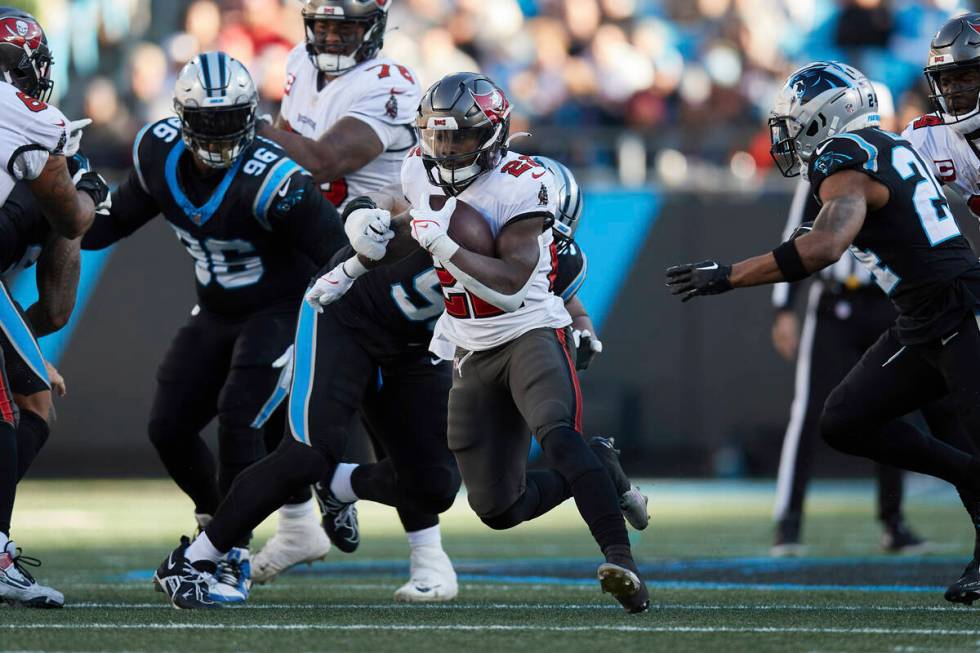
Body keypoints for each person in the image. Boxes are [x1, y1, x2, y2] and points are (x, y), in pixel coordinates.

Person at [311, 72, 650, 613]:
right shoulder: (419, 168)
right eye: (439, 135)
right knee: (496, 507)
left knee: (558, 434)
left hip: (527, 333)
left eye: (462, 137)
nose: (447, 149)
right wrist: (352, 266)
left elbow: (513, 286)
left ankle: (621, 561)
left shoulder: (523, 182)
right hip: (468, 347)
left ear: (493, 135)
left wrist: (442, 245)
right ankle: (601, 467)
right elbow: (408, 233)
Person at [665, 60, 980, 606]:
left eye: (792, 121)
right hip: (922, 316)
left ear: (823, 116)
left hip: (958, 307)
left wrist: (730, 275)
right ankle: (972, 477)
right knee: (846, 419)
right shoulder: (887, 146)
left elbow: (825, 247)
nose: (785, 135)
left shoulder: (844, 158)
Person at [82, 52, 346, 605]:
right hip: (218, 311)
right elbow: (112, 222)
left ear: (250, 116)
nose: (220, 133)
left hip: (280, 310)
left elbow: (338, 252)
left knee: (239, 419)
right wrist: (64, 209)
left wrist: (323, 327)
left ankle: (230, 555)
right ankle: (217, 525)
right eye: (208, 120)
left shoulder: (277, 178)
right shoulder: (158, 153)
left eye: (231, 120)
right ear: (183, 117)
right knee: (168, 428)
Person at [243, 0, 456, 600]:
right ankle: (297, 525)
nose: (334, 36)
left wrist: (237, 124)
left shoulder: (389, 85)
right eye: (325, 25)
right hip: (313, 251)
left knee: (393, 413)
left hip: (376, 259)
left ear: (375, 29)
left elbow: (321, 158)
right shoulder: (297, 65)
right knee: (274, 400)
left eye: (348, 26)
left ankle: (424, 553)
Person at [770, 84, 926, 556]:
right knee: (808, 412)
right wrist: (784, 309)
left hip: (887, 301)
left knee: (893, 409)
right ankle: (788, 524)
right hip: (834, 302)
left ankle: (893, 522)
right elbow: (796, 239)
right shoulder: (823, 167)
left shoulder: (895, 160)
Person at [0, 7, 107, 608]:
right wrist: (86, 203)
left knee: (32, 396)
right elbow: (69, 214)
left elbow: (55, 309)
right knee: (22, 399)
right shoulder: (28, 118)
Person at [900, 12, 980, 603]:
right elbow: (884, 182)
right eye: (947, 80)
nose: (954, 90)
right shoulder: (927, 136)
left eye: (967, 76)